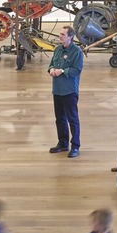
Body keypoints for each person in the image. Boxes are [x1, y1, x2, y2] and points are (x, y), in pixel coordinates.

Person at [48, 26, 84, 158]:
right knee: (59, 119)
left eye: (63, 34)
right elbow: (51, 64)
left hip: (69, 91)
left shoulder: (77, 52)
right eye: (60, 34)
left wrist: (62, 71)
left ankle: (75, 145)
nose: (60, 36)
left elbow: (76, 70)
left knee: (72, 119)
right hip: (57, 90)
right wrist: (51, 69)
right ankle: (62, 143)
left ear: (70, 37)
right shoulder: (57, 49)